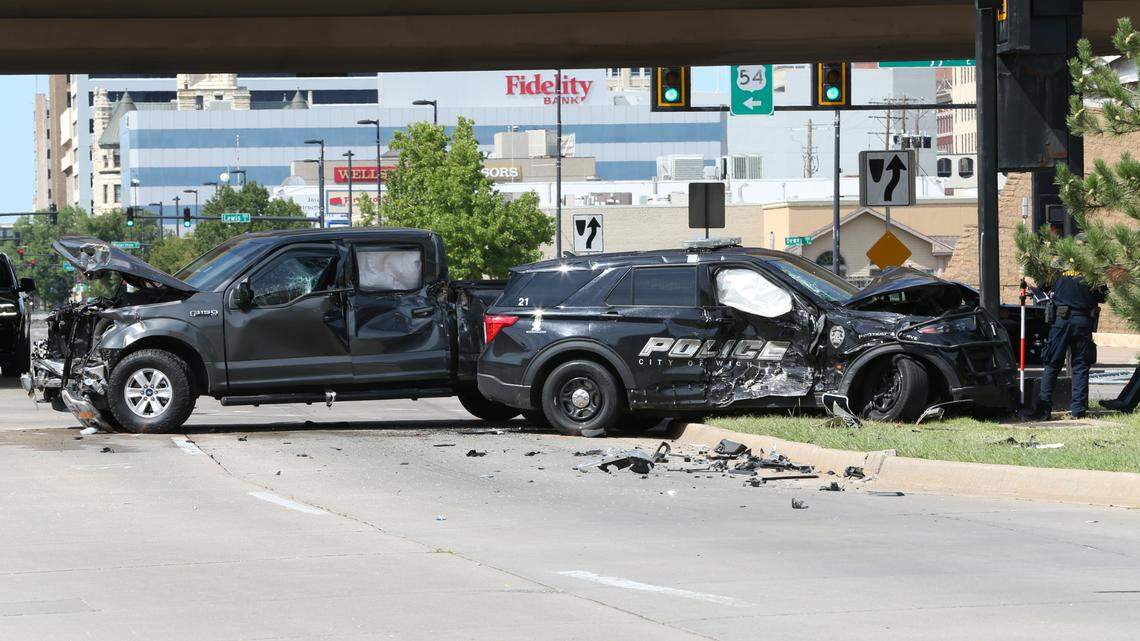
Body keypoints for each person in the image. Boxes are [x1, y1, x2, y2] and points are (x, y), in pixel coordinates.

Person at [1021, 266, 1106, 420]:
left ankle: (1044, 410)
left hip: (1061, 321)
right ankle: (1078, 410)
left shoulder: (1056, 272)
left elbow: (1037, 287)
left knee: (1052, 364)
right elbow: (1103, 296)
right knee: (1080, 365)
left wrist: (1026, 277)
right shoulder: (1092, 272)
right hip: (1083, 321)